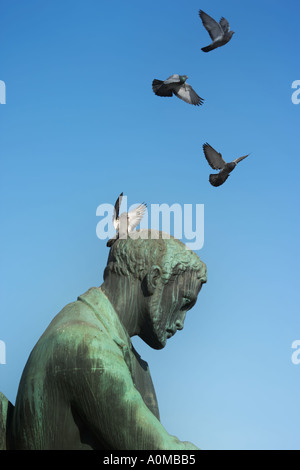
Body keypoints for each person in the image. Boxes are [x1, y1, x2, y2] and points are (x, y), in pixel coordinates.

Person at [8, 230, 207, 450]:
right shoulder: (85, 344)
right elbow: (158, 451)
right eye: (184, 303)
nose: (181, 322)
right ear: (154, 280)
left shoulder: (121, 352)